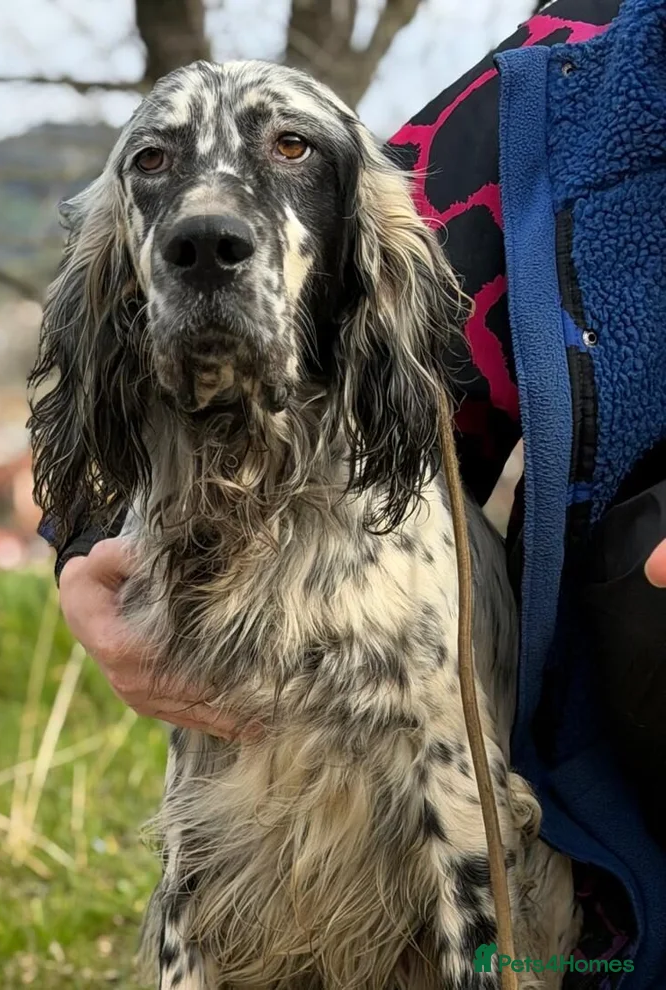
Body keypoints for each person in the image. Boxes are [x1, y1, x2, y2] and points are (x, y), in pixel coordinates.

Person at [39, 0, 666, 984]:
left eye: (287, 149)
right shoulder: (555, 87)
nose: (209, 218)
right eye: (157, 164)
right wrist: (81, 543)